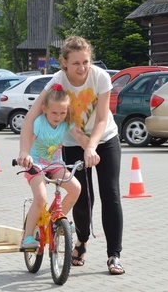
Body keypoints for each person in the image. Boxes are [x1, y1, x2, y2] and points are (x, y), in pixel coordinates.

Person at [17, 36, 125, 275]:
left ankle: (113, 255)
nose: (82, 68)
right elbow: (31, 118)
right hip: (72, 141)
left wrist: (92, 147)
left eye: (86, 62)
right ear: (64, 63)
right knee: (83, 196)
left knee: (111, 193)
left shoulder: (100, 77)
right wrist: (24, 151)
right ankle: (80, 241)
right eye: (75, 63)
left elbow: (101, 118)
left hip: (104, 139)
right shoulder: (58, 80)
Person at [19, 83, 84, 251]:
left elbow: (81, 137)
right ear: (44, 109)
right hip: (36, 165)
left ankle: (57, 220)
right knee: (40, 197)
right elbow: (29, 140)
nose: (58, 117)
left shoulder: (65, 123)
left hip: (55, 165)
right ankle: (27, 237)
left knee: (76, 188)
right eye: (54, 112)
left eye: (63, 113)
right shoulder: (39, 122)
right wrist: (25, 154)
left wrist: (92, 149)